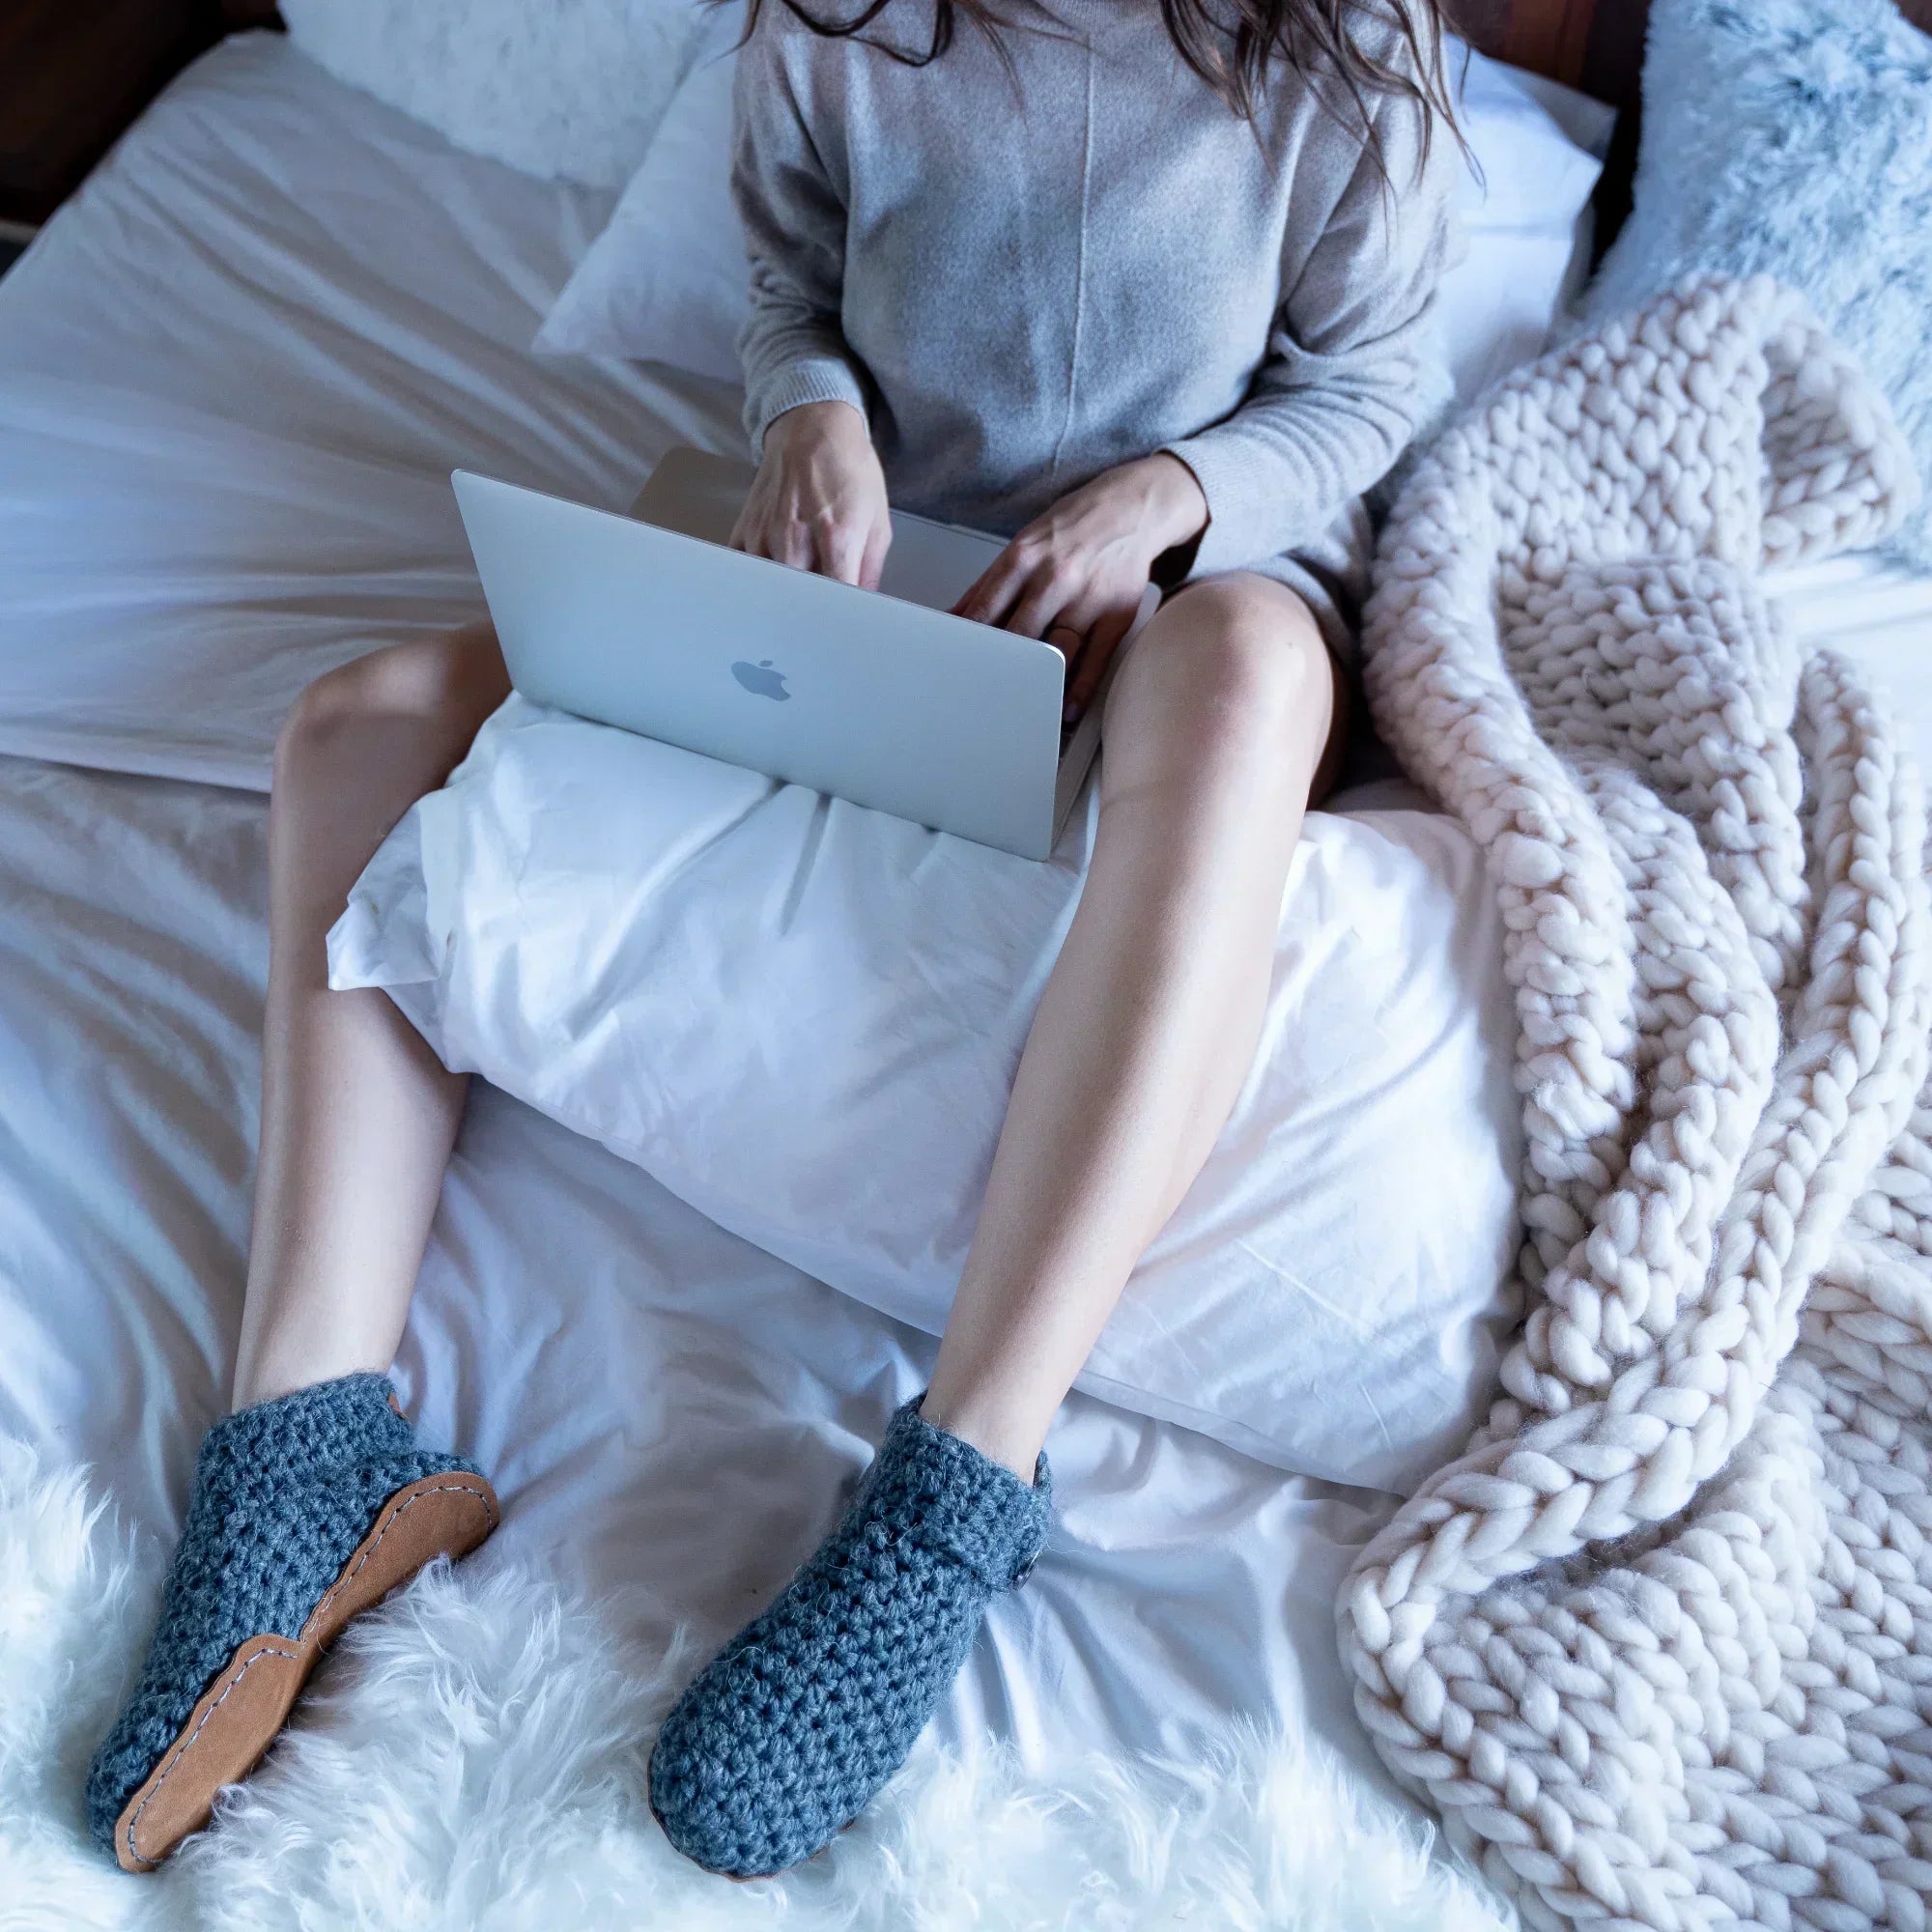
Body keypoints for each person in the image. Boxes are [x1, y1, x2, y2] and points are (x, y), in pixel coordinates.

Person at [89, 0, 1461, 1879]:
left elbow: (1370, 388)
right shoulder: (835, 17)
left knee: (1236, 675)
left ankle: (963, 1478)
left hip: (1202, 581)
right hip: (882, 575)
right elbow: (784, 272)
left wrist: (1170, 501)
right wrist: (805, 411)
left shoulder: (1340, 48)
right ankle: (307, 1437)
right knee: (353, 724)